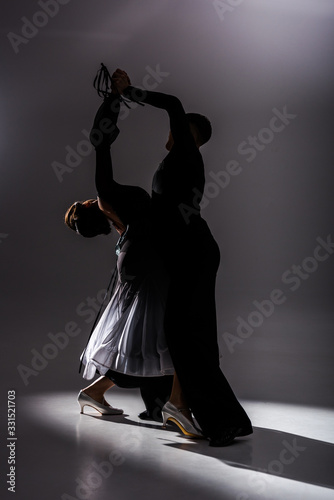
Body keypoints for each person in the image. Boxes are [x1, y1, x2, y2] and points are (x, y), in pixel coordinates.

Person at [112, 69, 253, 446]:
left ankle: (214, 419)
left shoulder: (186, 153)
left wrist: (130, 92)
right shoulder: (179, 163)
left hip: (194, 253)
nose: (168, 132)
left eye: (175, 128)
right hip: (190, 253)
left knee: (186, 335)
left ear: (188, 134)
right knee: (187, 335)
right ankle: (197, 411)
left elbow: (172, 104)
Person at [64, 80, 200, 435]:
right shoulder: (106, 193)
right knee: (171, 332)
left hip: (140, 259)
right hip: (143, 261)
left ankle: (94, 393)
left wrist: (115, 102)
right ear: (91, 205)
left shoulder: (112, 204)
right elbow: (100, 141)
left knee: (146, 335)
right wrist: (112, 100)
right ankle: (178, 404)